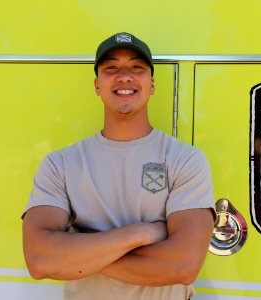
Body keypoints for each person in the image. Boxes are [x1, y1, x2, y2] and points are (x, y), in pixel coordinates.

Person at [22, 32, 216, 300]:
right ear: (97, 85)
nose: (124, 75)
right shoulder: (60, 164)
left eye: (137, 67)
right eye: (111, 68)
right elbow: (40, 259)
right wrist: (141, 233)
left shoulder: (185, 159)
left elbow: (183, 266)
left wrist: (78, 254)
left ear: (151, 84)